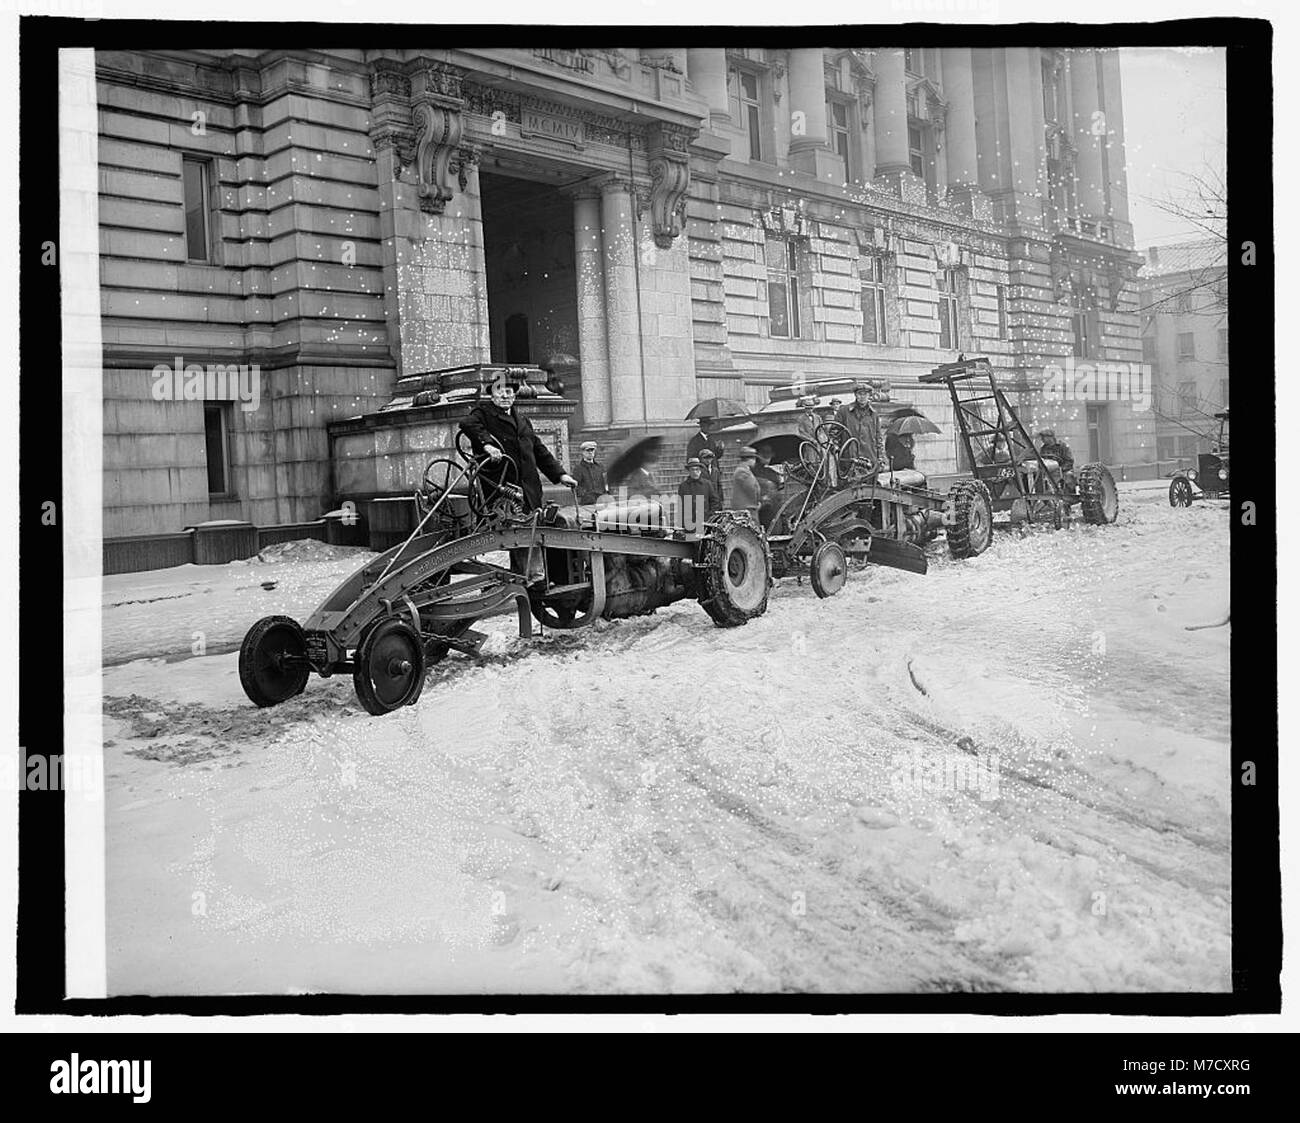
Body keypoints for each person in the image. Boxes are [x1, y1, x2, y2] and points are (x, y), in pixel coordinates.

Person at [458, 371, 577, 583]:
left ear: (514, 395)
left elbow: (539, 451)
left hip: (529, 487)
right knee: (521, 531)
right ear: (492, 395)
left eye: (509, 392)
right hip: (503, 490)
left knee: (529, 529)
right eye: (500, 391)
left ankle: (522, 576)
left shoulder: (523, 421)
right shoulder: (483, 414)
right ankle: (535, 577)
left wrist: (560, 475)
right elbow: (467, 424)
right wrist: (486, 444)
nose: (505, 395)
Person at [834, 382, 879, 465]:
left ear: (869, 396)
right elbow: (834, 432)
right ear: (855, 395)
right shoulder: (844, 411)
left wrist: (880, 458)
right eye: (859, 394)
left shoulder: (873, 414)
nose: (862, 397)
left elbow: (878, 437)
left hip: (869, 457)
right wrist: (836, 448)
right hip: (849, 456)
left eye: (865, 394)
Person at [677, 457, 713, 533]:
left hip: (705, 521)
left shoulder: (707, 484)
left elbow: (715, 502)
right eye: (692, 470)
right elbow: (681, 506)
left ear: (700, 471)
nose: (695, 472)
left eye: (697, 469)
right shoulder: (683, 486)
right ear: (689, 471)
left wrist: (710, 517)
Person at [752, 444, 783, 528]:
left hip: (773, 509)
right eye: (764, 455)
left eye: (768, 455)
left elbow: (778, 487)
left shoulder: (771, 472)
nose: (767, 458)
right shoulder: (752, 472)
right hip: (760, 509)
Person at [731, 446, 762, 520]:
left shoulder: (744, 470)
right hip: (747, 508)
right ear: (750, 459)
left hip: (747, 508)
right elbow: (752, 488)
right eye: (754, 459)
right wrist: (757, 502)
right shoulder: (742, 472)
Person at [573, 440, 607, 505]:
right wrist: (585, 495)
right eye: (588, 451)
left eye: (592, 450)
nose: (590, 452)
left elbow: (604, 483)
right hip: (587, 502)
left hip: (601, 500)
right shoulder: (578, 468)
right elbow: (576, 486)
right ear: (583, 452)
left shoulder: (600, 467)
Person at [698, 447, 723, 514]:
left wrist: (720, 500)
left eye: (710, 458)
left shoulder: (715, 470)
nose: (708, 460)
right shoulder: (698, 471)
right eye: (705, 458)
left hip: (715, 501)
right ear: (701, 459)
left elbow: (719, 485)